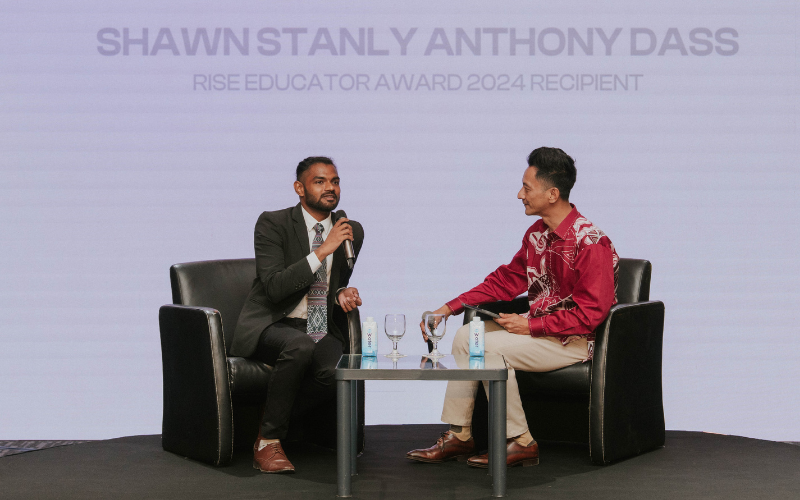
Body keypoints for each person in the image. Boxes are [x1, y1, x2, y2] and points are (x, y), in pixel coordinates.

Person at [407, 147, 618, 468]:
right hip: (540, 333)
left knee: (488, 349)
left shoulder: (591, 243)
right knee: (466, 336)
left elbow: (590, 315)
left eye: (527, 188)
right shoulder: (536, 235)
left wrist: (530, 326)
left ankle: (520, 441)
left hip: (576, 341)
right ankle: (460, 435)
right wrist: (448, 308)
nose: (520, 194)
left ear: (552, 194)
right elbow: (506, 280)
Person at [230, 156, 365, 474]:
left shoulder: (350, 230)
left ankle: (270, 418)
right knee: (299, 345)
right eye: (320, 181)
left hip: (318, 323)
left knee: (339, 372)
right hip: (273, 322)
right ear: (299, 188)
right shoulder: (272, 224)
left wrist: (343, 292)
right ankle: (268, 442)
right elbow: (275, 288)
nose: (330, 187)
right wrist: (322, 250)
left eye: (335, 180)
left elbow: (335, 282)